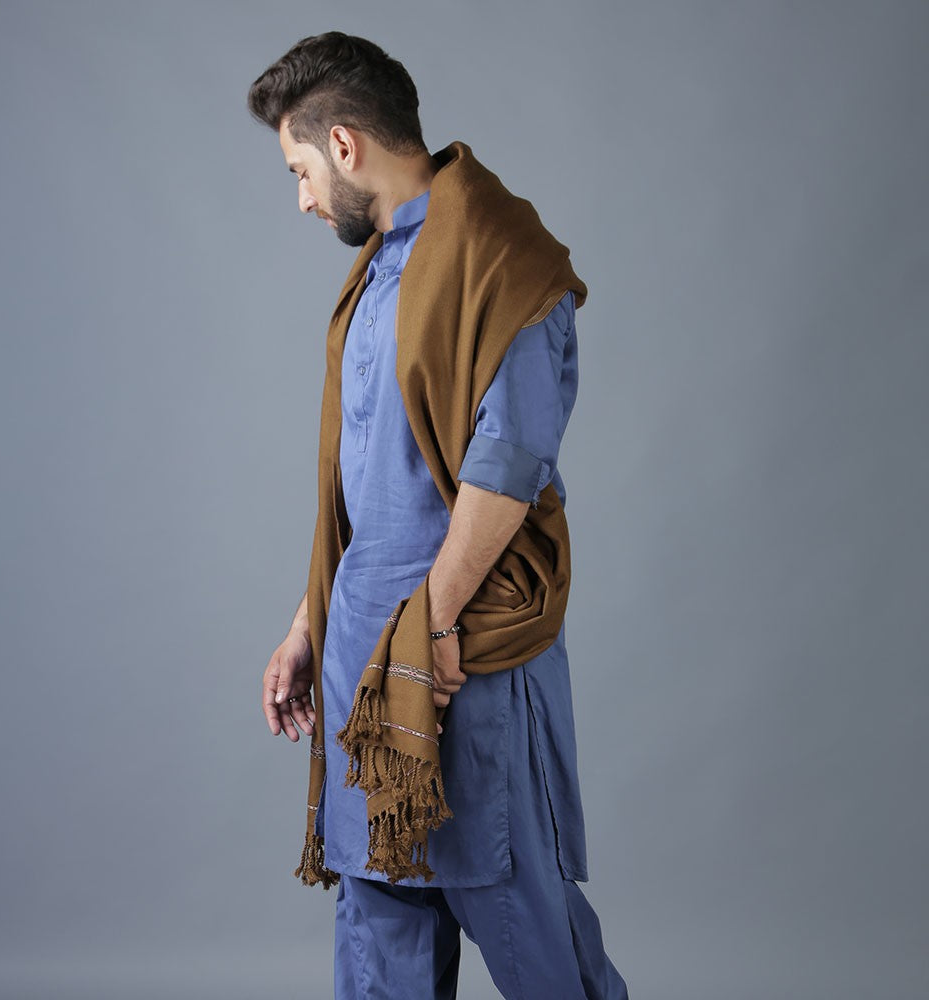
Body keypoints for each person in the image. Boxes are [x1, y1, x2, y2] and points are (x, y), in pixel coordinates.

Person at [249, 30, 629, 1000]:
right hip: (365, 673)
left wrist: (435, 626)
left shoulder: (501, 259)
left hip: (466, 667)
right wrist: (308, 623)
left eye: (299, 170)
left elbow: (509, 462)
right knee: (380, 949)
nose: (302, 198)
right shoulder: (378, 270)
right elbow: (367, 479)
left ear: (342, 145)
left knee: (535, 942)